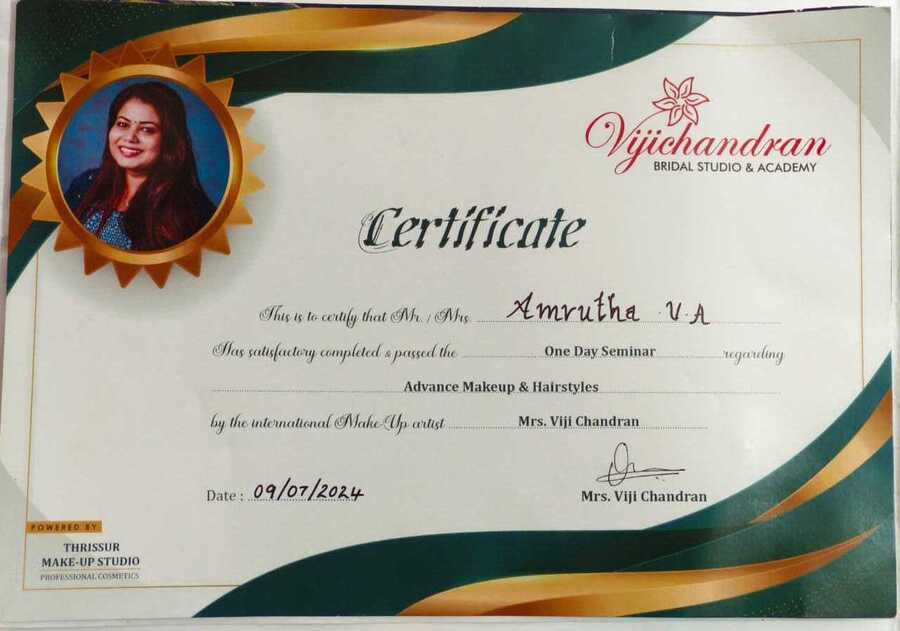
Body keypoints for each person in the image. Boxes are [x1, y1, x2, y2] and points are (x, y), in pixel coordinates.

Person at [65, 81, 217, 251]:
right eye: (123, 124)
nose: (130, 137)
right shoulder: (86, 185)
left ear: (170, 139)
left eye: (146, 129)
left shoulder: (193, 211)